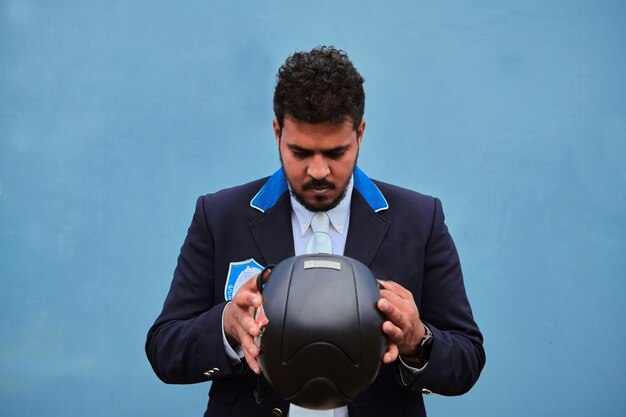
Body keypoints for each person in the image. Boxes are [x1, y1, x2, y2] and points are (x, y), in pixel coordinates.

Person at [146, 46, 485, 417]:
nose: (319, 171)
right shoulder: (220, 216)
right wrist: (226, 326)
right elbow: (165, 349)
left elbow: (467, 357)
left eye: (336, 152)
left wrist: (418, 341)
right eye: (301, 152)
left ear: (360, 133)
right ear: (277, 132)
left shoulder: (420, 219)